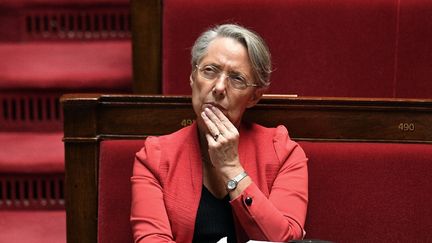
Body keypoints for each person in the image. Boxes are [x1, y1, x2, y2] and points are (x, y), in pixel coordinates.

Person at [131, 24, 308, 243]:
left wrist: (232, 169)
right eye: (210, 70)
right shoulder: (155, 156)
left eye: (237, 79)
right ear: (192, 77)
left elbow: (285, 239)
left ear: (254, 97)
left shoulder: (282, 152)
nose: (219, 87)